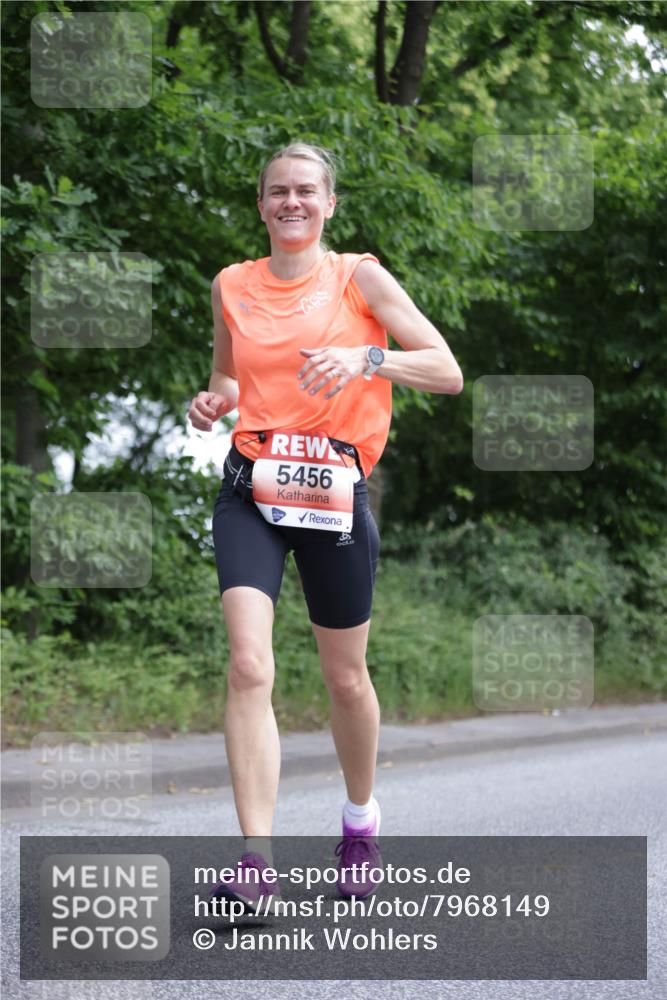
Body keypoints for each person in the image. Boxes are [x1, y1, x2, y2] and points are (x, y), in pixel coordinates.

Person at [188, 142, 463, 913]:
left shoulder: (358, 277)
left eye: (306, 190)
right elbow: (228, 377)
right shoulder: (230, 285)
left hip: (335, 495)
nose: (291, 202)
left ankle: (358, 822)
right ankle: (256, 863)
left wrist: (366, 359)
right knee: (248, 665)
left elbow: (445, 369)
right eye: (277, 192)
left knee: (345, 678)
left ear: (329, 203)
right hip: (251, 487)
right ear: (261, 204)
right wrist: (214, 403)